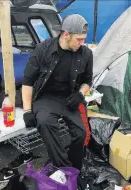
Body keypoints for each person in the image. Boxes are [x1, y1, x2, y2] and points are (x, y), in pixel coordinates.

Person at [22, 14, 93, 171]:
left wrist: (80, 94)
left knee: (80, 134)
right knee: (45, 123)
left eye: (83, 39)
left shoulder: (86, 54)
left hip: (70, 97)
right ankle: (64, 169)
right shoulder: (43, 49)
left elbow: (88, 81)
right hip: (46, 97)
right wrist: (27, 111)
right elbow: (27, 82)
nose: (83, 43)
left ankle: (76, 169)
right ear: (66, 34)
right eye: (79, 39)